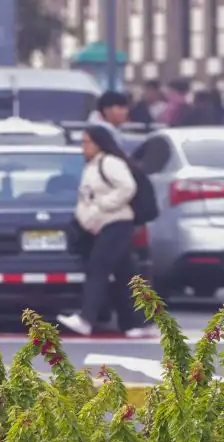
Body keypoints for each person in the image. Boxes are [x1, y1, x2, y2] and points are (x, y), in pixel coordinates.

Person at [58, 125, 157, 340]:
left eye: (87, 142)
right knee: (127, 275)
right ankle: (139, 322)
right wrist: (86, 218)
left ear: (98, 143)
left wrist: (103, 205)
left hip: (117, 223)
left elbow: (127, 187)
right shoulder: (92, 165)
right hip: (103, 225)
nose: (83, 147)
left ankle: (86, 319)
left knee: (98, 267)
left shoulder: (110, 162)